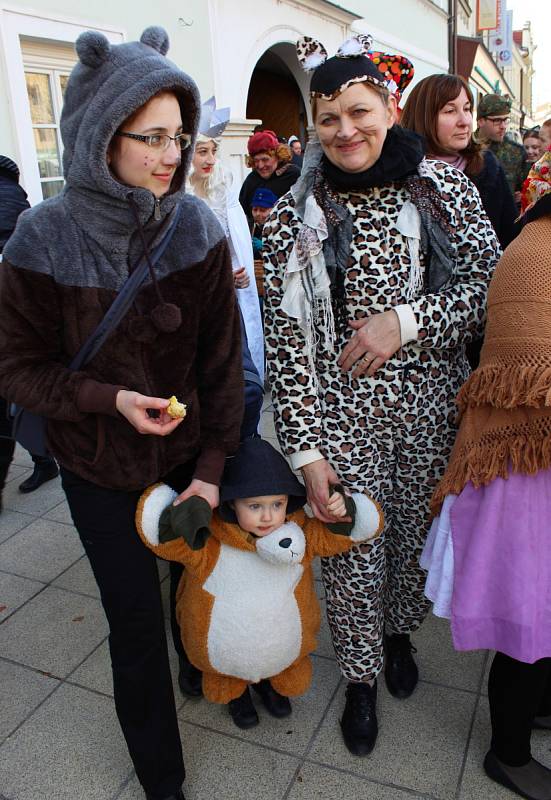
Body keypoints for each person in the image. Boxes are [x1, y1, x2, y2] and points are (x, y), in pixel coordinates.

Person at [0, 27, 244, 800]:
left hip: (184, 464)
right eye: (152, 138)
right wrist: (110, 401)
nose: (171, 154)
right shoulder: (43, 237)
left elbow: (222, 368)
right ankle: (162, 779)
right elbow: (15, 369)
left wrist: (208, 474)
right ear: (103, 133)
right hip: (97, 470)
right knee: (132, 622)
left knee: (186, 590)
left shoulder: (198, 227)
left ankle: (195, 655)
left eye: (180, 135)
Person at [263, 32, 499, 757]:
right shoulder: (289, 219)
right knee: (349, 547)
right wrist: (305, 455)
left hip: (430, 409)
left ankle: (398, 635)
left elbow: (488, 288)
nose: (345, 131)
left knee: (405, 544)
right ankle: (360, 677)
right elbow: (285, 348)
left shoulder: (443, 187)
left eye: (359, 111)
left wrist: (405, 322)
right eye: (328, 119)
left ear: (390, 108)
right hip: (341, 421)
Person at [421, 151, 551, 800]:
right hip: (524, 464)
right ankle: (507, 752)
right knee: (526, 615)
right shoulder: (532, 256)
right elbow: (527, 376)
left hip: (533, 460)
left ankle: (537, 707)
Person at [134, 437, 383, 729]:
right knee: (228, 666)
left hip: (277, 646)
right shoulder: (212, 543)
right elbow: (168, 542)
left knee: (273, 655)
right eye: (254, 506)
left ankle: (267, 678)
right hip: (227, 650)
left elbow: (338, 535)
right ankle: (236, 692)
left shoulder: (298, 534)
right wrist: (180, 514)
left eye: (277, 504)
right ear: (231, 504)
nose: (268, 516)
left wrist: (342, 509)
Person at [187, 98, 264, 381]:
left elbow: (236, 245)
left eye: (213, 151)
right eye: (202, 152)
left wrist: (239, 274)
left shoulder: (223, 189)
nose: (210, 159)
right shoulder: (176, 196)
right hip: (194, 299)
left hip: (227, 298)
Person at [0, 155, 59, 507]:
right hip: (18, 306)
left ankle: (42, 459)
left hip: (9, 306)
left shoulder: (8, 197)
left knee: (11, 396)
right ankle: (43, 458)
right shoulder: (17, 194)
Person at [400, 74, 517, 250]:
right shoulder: (400, 174)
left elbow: (510, 238)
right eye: (450, 111)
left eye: (467, 109)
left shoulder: (488, 168)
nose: (464, 122)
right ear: (424, 117)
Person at [475, 94, 530, 204]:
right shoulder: (465, 147)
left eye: (506, 120)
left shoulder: (517, 152)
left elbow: (524, 194)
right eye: (497, 120)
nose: (503, 126)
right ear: (481, 121)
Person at [239, 129, 300, 225]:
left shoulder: (294, 176)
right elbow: (242, 211)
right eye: (256, 161)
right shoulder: (251, 180)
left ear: (278, 155)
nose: (260, 165)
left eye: (265, 159)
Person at [250, 187, 278, 259]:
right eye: (255, 209)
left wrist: (264, 247)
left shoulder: (279, 227)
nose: (258, 214)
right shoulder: (250, 227)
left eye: (263, 210)